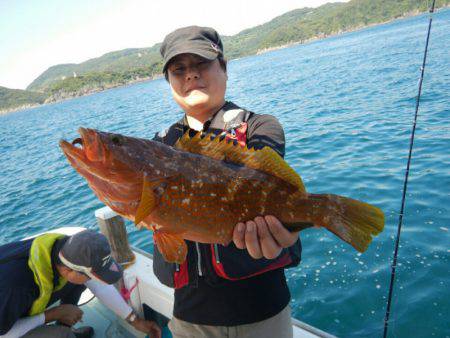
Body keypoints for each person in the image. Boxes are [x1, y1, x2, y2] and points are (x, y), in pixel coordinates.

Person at [153, 26, 301, 338]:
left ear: (224, 67)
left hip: (263, 315)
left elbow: (264, 177)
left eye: (201, 64)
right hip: (191, 317)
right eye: (179, 69)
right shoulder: (159, 146)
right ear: (169, 83)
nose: (191, 75)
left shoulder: (261, 127)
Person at [0, 229, 161, 338]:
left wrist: (134, 320)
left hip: (11, 304)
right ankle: (63, 332)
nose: (95, 281)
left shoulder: (62, 250)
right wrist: (55, 313)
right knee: (61, 336)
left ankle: (63, 326)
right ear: (69, 271)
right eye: (91, 276)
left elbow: (99, 285)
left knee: (77, 283)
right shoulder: (17, 287)